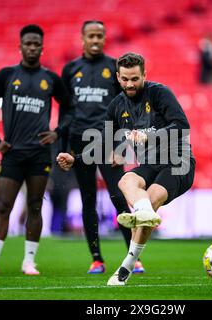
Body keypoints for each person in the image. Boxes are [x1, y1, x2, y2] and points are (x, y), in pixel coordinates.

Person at [57, 52, 195, 285]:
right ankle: (143, 213)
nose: (130, 84)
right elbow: (104, 142)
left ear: (144, 75)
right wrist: (76, 158)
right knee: (125, 182)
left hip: (178, 163)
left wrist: (149, 136)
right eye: (125, 79)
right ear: (118, 78)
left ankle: (127, 265)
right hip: (150, 165)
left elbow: (182, 125)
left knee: (149, 200)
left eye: (135, 79)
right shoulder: (115, 106)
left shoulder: (160, 93)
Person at [0, 24, 69, 275]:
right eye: (28, 43)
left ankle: (29, 262)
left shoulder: (50, 79)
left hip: (39, 154)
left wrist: (57, 132)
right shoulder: (6, 75)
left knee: (35, 205)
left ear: (42, 47)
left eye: (37, 44)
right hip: (12, 152)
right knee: (4, 205)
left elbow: (70, 108)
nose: (33, 48)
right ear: (20, 46)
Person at [61, 20, 136, 274]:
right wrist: (65, 147)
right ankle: (97, 258)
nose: (95, 40)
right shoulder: (71, 69)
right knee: (88, 200)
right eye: (91, 35)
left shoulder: (114, 67)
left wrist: (123, 145)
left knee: (120, 199)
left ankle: (133, 257)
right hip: (79, 142)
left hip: (109, 142)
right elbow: (65, 112)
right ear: (82, 38)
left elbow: (127, 109)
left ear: (104, 38)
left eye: (100, 36)